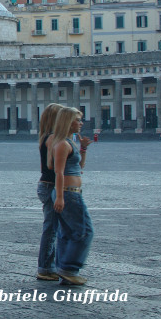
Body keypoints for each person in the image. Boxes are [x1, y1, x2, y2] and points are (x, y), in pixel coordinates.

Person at [51, 107, 93, 285]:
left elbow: (79, 167)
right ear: (67, 122)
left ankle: (63, 267)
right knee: (84, 232)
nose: (81, 123)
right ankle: (69, 268)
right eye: (77, 119)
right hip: (68, 193)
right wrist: (59, 196)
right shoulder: (62, 144)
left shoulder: (70, 143)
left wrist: (83, 149)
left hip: (69, 193)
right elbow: (58, 173)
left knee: (67, 232)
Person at [36, 103, 64, 281]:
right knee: (52, 229)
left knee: (54, 228)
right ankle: (46, 267)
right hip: (50, 186)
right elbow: (51, 166)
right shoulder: (53, 138)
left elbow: (44, 166)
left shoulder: (44, 137)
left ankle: (51, 265)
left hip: (45, 184)